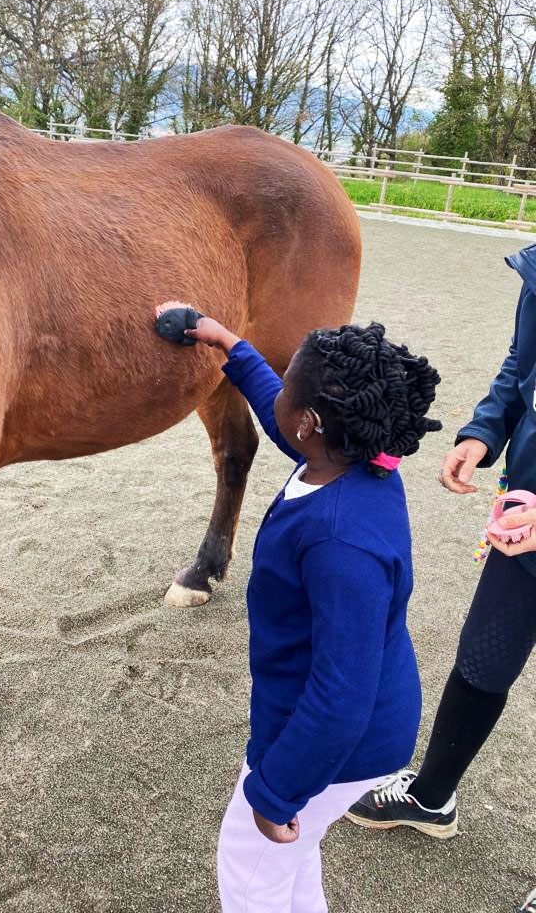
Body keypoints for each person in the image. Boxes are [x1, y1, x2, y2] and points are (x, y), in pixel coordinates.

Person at [166, 308, 442, 913]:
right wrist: (232, 348)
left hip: (336, 737)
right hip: (343, 725)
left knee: (250, 860)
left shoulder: (340, 542)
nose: (278, 388)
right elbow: (280, 412)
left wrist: (276, 792)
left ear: (311, 422)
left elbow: (340, 695)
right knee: (292, 855)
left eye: (289, 382)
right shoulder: (351, 459)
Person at [345, 243, 536, 913]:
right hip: (526, 519)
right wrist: (483, 432)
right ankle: (432, 796)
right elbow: (523, 370)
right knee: (483, 662)